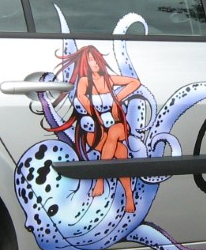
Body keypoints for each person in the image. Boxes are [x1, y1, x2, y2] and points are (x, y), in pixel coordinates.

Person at [49, 44, 142, 212]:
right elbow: (81, 98)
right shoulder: (84, 81)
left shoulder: (109, 79)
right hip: (97, 128)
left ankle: (100, 180)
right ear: (85, 63)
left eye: (96, 59)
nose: (94, 63)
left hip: (117, 125)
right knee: (120, 151)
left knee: (113, 134)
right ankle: (129, 194)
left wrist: (117, 98)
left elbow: (135, 82)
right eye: (90, 60)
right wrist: (95, 115)